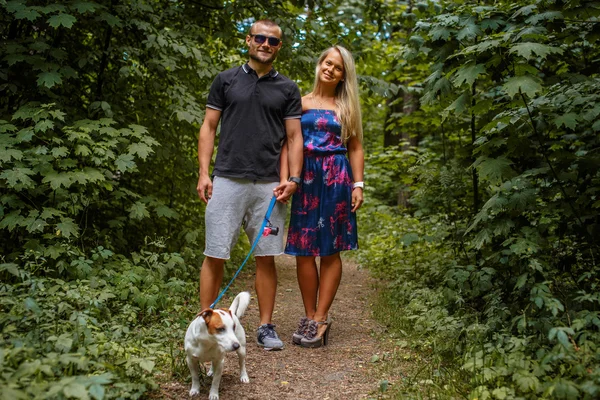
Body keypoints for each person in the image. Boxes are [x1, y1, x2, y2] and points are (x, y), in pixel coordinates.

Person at [196, 19, 303, 351]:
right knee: (215, 254)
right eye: (260, 38)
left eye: (273, 41)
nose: (265, 44)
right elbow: (209, 127)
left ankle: (266, 327)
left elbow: (294, 136)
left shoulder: (287, 89)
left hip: (269, 187)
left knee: (266, 257)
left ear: (279, 47)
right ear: (248, 40)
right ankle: (205, 325)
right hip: (227, 179)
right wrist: (203, 172)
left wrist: (294, 178)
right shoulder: (226, 80)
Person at [284, 45, 365, 348]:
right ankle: (308, 317)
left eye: (338, 67)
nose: (331, 69)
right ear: (319, 65)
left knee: (330, 250)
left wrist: (358, 184)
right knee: (304, 250)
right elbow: (288, 142)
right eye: (327, 63)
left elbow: (355, 147)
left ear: (344, 76)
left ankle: (321, 317)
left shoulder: (345, 107)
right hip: (304, 178)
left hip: (336, 177)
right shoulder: (300, 103)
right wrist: (285, 178)